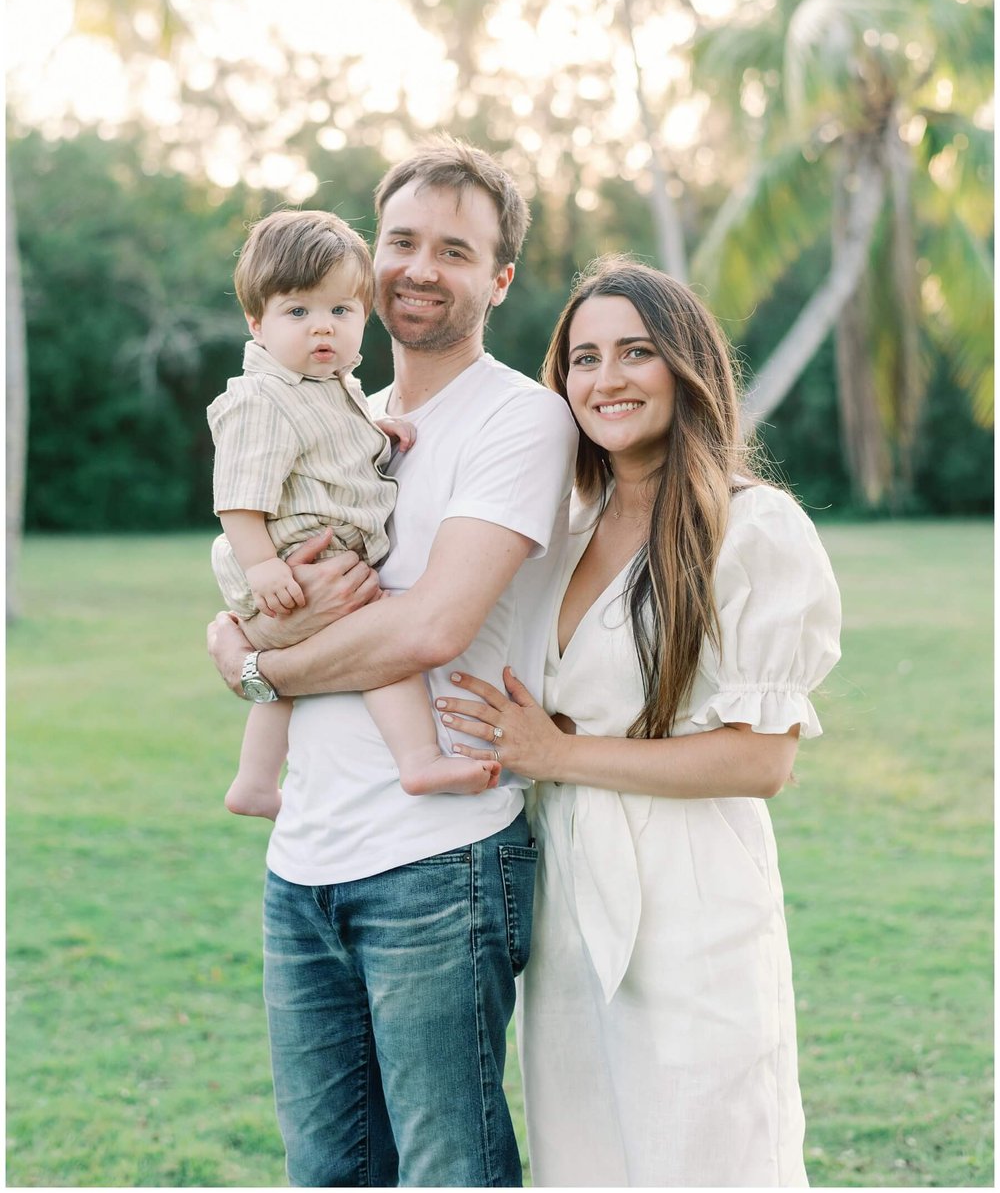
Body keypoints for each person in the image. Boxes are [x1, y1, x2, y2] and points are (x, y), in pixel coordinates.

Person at [206, 140, 578, 1188]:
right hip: (304, 862)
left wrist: (256, 668)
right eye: (402, 241)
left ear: (498, 279)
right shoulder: (334, 409)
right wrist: (244, 627)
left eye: (454, 251)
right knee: (329, 1172)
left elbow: (429, 627)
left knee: (447, 1170)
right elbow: (260, 567)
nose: (419, 267)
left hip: (439, 861)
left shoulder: (520, 419)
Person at [435, 256, 842, 1188]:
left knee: (703, 1152)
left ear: (687, 369)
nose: (606, 379)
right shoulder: (559, 527)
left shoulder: (753, 530)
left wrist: (558, 751)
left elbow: (761, 761)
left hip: (692, 892)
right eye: (583, 358)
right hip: (567, 891)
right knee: (587, 1156)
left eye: (636, 352)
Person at [208, 208, 500, 818]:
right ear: (256, 322)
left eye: (341, 312)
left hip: (320, 557)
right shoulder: (263, 397)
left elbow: (333, 436)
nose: (323, 329)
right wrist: (263, 569)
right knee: (384, 648)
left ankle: (256, 782)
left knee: (327, 664)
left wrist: (376, 427)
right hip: (291, 558)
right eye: (299, 312)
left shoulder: (329, 384)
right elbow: (238, 496)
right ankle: (417, 760)